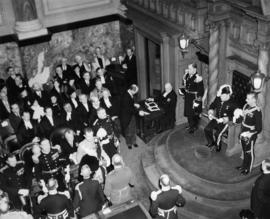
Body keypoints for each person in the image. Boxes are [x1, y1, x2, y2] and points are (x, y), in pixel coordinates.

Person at [234, 92, 262, 175]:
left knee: (249, 152)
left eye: (248, 98)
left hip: (251, 134)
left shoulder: (257, 111)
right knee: (244, 150)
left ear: (254, 100)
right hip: (243, 131)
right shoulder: (246, 106)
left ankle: (248, 168)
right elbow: (243, 119)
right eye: (246, 98)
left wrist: (251, 133)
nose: (246, 100)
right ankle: (243, 165)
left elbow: (259, 128)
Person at [204, 85, 236, 152]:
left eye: (222, 96)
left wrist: (225, 119)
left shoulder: (233, 103)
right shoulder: (218, 98)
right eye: (220, 95)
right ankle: (211, 142)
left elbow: (236, 116)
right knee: (207, 129)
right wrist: (210, 113)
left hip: (226, 123)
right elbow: (212, 105)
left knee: (217, 134)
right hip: (216, 118)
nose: (220, 97)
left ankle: (217, 146)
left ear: (228, 95)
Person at [181, 63, 204, 134]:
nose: (188, 70)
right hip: (188, 96)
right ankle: (190, 124)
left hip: (194, 98)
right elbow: (184, 84)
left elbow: (201, 90)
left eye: (190, 69)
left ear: (194, 69)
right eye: (188, 68)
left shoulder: (198, 78)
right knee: (188, 112)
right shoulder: (188, 75)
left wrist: (198, 101)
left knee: (193, 113)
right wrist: (184, 75)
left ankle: (194, 127)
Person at [120, 84, 143, 149]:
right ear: (132, 90)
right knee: (128, 131)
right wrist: (138, 112)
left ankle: (134, 142)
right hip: (126, 116)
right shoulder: (125, 96)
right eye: (135, 92)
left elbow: (130, 104)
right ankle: (129, 143)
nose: (136, 93)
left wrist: (134, 104)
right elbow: (128, 108)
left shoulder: (129, 93)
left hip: (131, 115)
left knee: (133, 129)